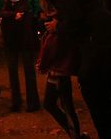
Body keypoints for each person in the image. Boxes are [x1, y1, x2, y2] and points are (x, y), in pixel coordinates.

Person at [29, 0, 111, 139]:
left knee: (94, 93)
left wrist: (58, 26)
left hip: (104, 43)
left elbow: (75, 21)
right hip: (104, 41)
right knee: (98, 96)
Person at [37, 10, 85, 138]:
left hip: (58, 73)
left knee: (61, 105)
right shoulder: (55, 35)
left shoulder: (55, 36)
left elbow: (49, 51)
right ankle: (74, 133)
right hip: (59, 72)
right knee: (61, 104)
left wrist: (42, 65)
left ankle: (75, 134)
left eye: (49, 20)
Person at [0, 0, 40, 112]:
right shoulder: (7, 2)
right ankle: (16, 102)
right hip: (11, 42)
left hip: (25, 40)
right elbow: (5, 14)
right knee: (12, 72)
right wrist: (12, 15)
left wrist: (9, 16)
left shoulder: (25, 0)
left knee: (29, 71)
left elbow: (19, 15)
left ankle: (33, 103)